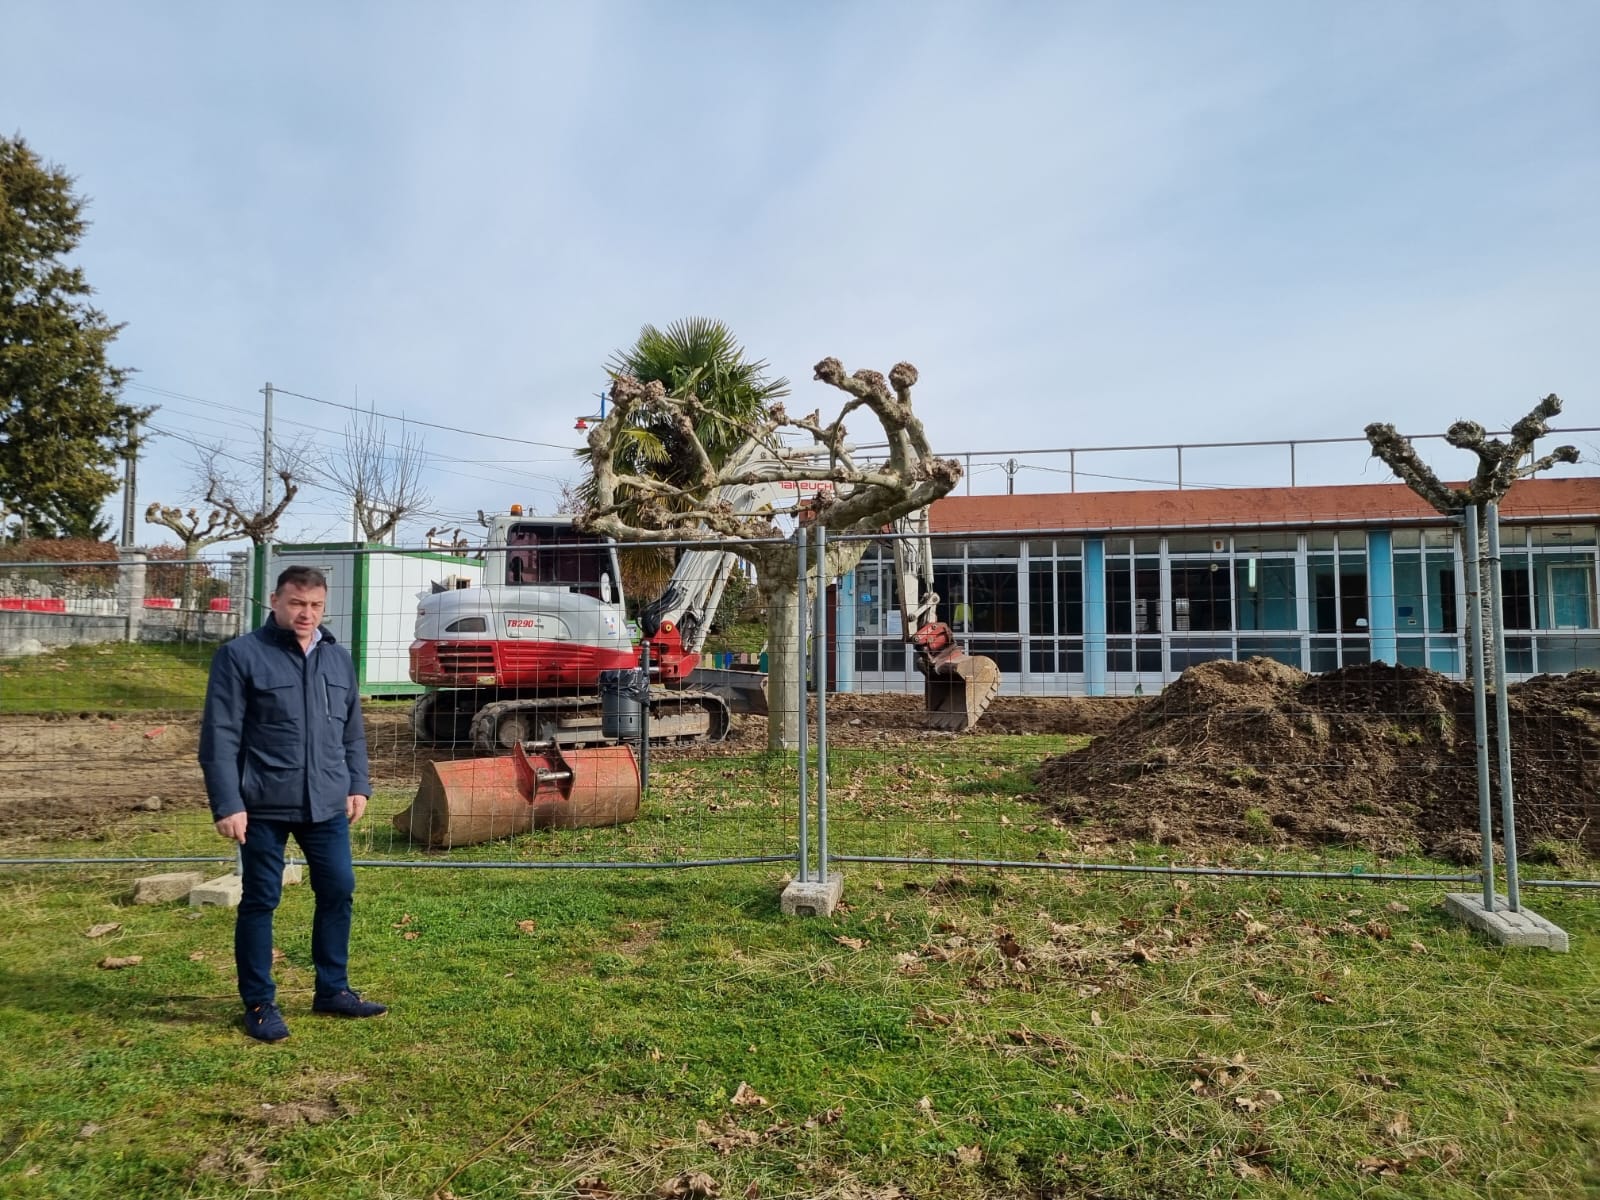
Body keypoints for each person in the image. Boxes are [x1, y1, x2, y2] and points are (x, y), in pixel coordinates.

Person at [199, 565, 386, 1042]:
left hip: (326, 802)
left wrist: (357, 784)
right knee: (261, 900)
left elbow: (351, 730)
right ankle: (259, 1003)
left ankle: (333, 989)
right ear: (275, 601)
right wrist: (227, 803)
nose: (306, 614)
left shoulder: (337, 658)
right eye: (297, 603)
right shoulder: (240, 656)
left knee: (339, 890)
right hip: (261, 803)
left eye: (316, 605)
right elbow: (219, 736)